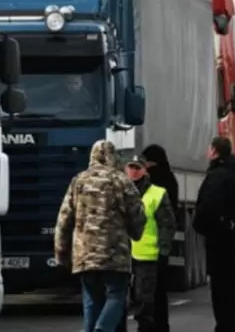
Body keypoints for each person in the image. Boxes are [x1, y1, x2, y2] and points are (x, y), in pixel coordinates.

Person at [54, 140, 146, 332]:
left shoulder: (78, 181)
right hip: (115, 254)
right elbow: (137, 214)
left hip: (85, 254)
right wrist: (136, 234)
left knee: (91, 300)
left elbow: (64, 220)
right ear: (114, 157)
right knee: (116, 296)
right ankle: (103, 328)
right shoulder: (122, 181)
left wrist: (62, 253)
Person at [193, 136, 235, 332]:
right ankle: (234, 324)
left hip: (219, 237)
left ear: (215, 152)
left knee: (219, 286)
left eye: (210, 149)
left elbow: (208, 207)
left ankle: (224, 325)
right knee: (230, 283)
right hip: (233, 235)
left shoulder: (217, 176)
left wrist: (201, 226)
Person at [124, 155, 175, 332]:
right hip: (123, 256)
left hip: (147, 255)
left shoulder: (157, 193)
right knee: (125, 299)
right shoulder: (120, 192)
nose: (134, 171)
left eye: (138, 167)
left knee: (144, 299)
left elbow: (166, 225)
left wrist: (164, 250)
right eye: (131, 167)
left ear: (145, 170)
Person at [138, 145, 178, 332]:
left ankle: (150, 327)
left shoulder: (151, 182)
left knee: (146, 294)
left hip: (145, 248)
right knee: (161, 291)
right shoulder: (170, 178)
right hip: (161, 245)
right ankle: (163, 326)